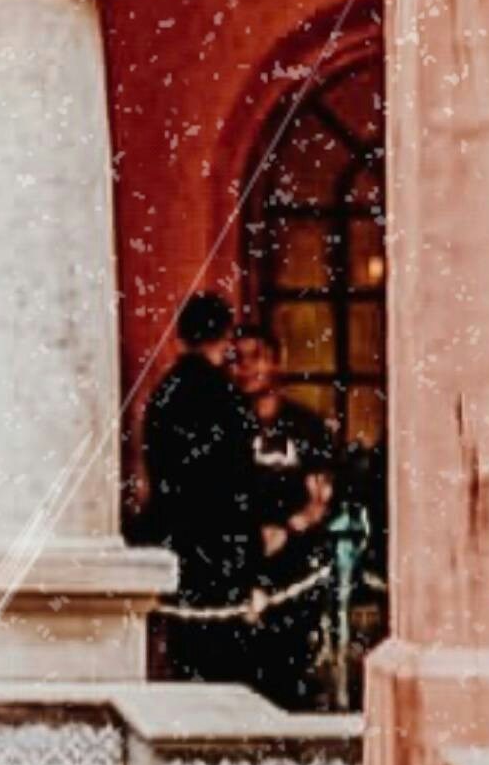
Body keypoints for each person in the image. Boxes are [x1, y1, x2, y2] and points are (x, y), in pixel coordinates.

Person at [138, 290, 257, 688]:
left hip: (174, 533)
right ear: (225, 337)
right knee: (224, 657)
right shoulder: (228, 399)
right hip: (221, 540)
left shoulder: (164, 394)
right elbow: (240, 478)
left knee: (181, 653)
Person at [234, 329, 342, 712]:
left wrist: (290, 529)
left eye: (256, 357)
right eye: (238, 359)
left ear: (276, 361)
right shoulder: (227, 428)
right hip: (241, 563)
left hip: (294, 566)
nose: (247, 368)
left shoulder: (306, 428)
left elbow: (322, 497)